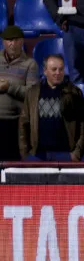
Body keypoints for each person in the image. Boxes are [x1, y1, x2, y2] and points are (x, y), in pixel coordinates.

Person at [18, 55, 84, 162]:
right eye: (54, 69)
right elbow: (23, 123)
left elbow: (83, 125)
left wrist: (76, 153)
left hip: (66, 155)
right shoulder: (32, 93)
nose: (58, 73)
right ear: (45, 71)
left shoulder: (75, 92)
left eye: (61, 69)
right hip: (38, 155)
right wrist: (25, 154)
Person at [0, 26, 39, 161]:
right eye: (9, 40)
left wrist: (8, 87)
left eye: (16, 40)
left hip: (15, 122)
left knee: (12, 163)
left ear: (22, 42)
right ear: (4, 42)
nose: (12, 44)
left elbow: (32, 93)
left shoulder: (30, 64)